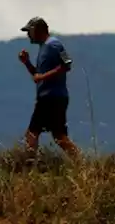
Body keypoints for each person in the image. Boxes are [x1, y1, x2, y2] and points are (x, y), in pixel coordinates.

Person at [17, 16, 81, 159]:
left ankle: (28, 165)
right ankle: (81, 162)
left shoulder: (54, 44)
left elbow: (67, 63)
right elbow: (37, 77)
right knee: (58, 136)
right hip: (50, 97)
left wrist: (43, 77)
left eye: (29, 31)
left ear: (37, 30)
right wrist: (26, 63)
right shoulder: (43, 48)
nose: (28, 35)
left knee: (32, 134)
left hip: (52, 98)